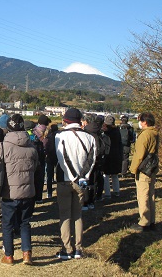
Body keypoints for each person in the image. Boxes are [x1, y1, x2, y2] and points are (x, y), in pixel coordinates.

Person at [0, 113, 38, 265]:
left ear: (8, 128)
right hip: (28, 192)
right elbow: (36, 167)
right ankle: (27, 254)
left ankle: (9, 256)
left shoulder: (2, 148)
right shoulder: (32, 147)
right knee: (25, 223)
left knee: (7, 224)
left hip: (9, 193)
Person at [55, 108, 96, 260]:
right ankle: (78, 248)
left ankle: (67, 249)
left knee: (65, 215)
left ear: (65, 120)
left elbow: (61, 158)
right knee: (78, 215)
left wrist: (72, 176)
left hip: (64, 180)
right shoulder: (90, 137)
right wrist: (82, 176)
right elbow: (92, 160)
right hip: (82, 181)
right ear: (80, 120)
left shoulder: (60, 136)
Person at [129, 112, 159, 232]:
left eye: (140, 121)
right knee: (150, 195)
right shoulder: (154, 133)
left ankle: (144, 222)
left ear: (145, 122)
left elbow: (139, 155)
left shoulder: (144, 135)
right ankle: (151, 220)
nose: (140, 123)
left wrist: (133, 169)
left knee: (143, 196)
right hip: (151, 168)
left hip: (143, 169)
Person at [102, 115, 123, 199]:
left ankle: (107, 193)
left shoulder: (105, 134)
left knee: (106, 175)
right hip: (116, 155)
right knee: (115, 175)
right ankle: (116, 191)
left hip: (107, 156)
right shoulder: (117, 131)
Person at [32, 115, 50, 203]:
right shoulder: (47, 133)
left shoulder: (34, 131)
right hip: (42, 158)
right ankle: (39, 198)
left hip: (33, 157)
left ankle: (32, 196)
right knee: (40, 178)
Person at [45, 123, 59, 199]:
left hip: (49, 157)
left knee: (49, 176)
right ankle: (59, 191)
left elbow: (46, 148)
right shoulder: (60, 136)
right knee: (59, 176)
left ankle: (49, 192)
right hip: (58, 157)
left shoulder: (48, 137)